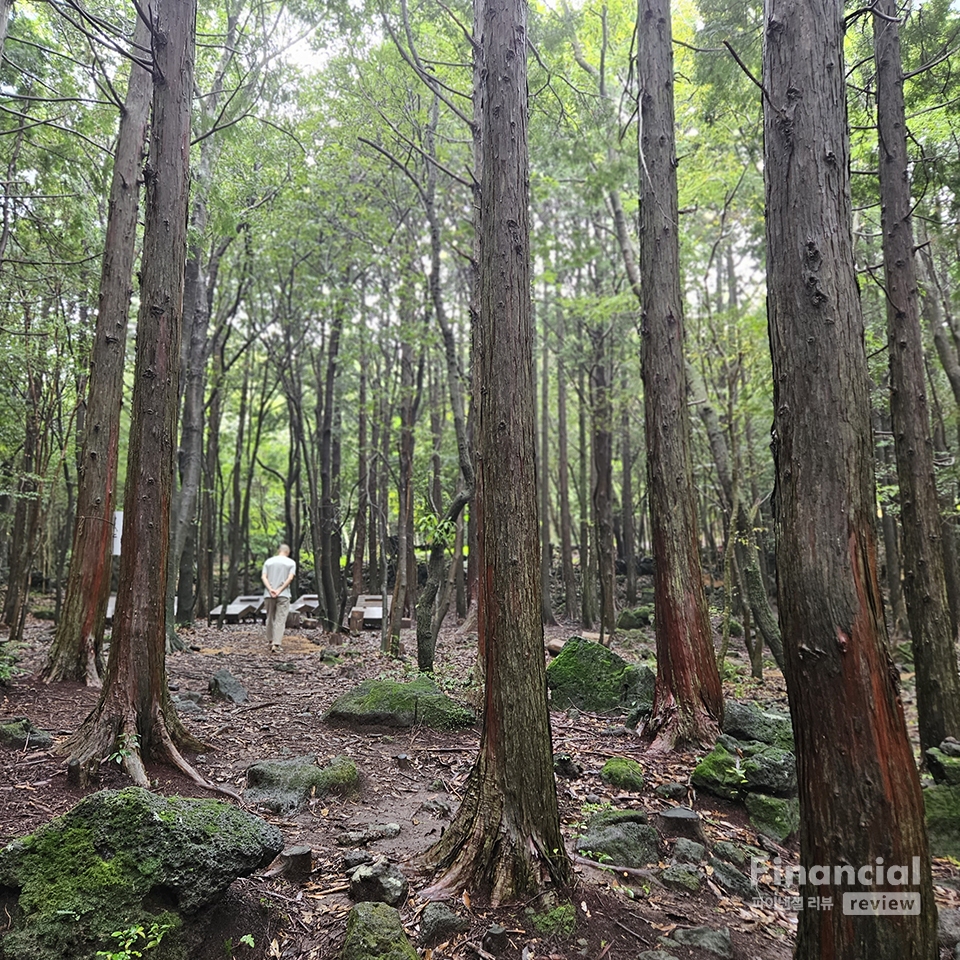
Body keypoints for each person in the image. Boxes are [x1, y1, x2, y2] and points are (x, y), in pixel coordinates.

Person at [261, 544, 296, 652]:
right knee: (280, 619)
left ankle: (270, 640)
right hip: (284, 595)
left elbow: (263, 577)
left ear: (278, 550)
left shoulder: (268, 562)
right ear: (288, 552)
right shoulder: (291, 563)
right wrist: (279, 590)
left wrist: (270, 589)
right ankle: (276, 644)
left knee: (270, 617)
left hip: (269, 594)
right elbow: (290, 578)